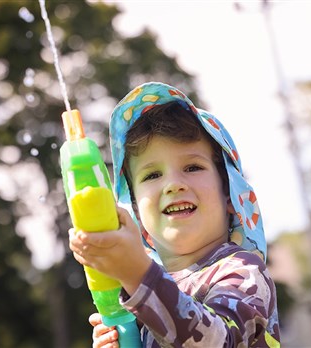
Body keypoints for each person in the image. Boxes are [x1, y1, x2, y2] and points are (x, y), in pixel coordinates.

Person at [69, 82, 280, 347]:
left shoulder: (242, 272)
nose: (173, 184)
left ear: (230, 195)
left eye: (192, 167)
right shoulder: (141, 309)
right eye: (153, 174)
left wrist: (137, 275)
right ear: (135, 209)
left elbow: (218, 341)